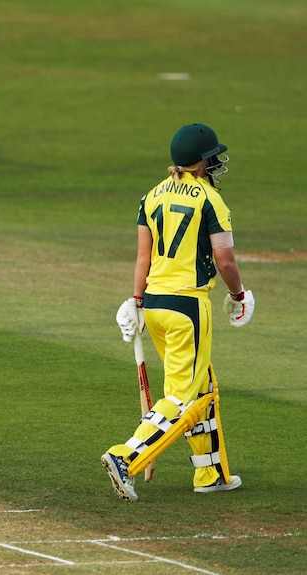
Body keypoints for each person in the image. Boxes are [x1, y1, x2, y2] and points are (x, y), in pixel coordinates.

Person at [102, 123, 256, 502]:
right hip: (188, 307)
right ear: (202, 162)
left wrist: (136, 300)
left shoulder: (152, 196)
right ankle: (125, 458)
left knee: (202, 387)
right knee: (183, 398)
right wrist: (239, 294)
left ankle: (211, 473)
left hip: (154, 305)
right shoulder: (210, 199)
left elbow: (144, 255)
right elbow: (224, 258)